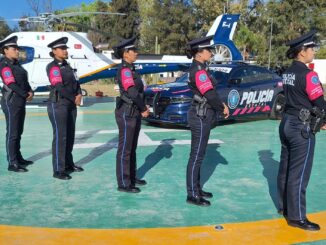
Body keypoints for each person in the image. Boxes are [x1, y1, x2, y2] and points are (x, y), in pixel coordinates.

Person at [277, 30, 326, 231]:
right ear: (302, 51)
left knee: (285, 168)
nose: (314, 51)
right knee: (300, 173)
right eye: (311, 48)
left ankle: (284, 207)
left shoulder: (288, 72)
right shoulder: (309, 75)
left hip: (287, 123)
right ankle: (297, 217)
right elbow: (320, 102)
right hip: (301, 127)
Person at [185, 36, 229, 206]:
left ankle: (197, 188)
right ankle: (192, 194)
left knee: (199, 155)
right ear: (199, 53)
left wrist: (219, 105)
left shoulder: (201, 68)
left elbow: (210, 92)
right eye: (208, 50)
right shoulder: (199, 71)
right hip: (200, 115)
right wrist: (222, 108)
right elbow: (209, 94)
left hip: (203, 114)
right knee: (196, 156)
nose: (210, 52)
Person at [113, 37, 149, 193]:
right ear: (125, 54)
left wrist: (142, 106)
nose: (136, 53)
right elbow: (132, 92)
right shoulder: (125, 71)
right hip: (127, 112)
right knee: (125, 149)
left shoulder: (132, 69)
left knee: (132, 147)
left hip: (134, 111)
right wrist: (143, 108)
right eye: (133, 51)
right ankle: (123, 182)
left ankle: (132, 177)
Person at [46, 37, 84, 180]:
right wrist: (74, 98)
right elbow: (58, 87)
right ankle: (58, 169)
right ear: (54, 51)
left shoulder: (68, 66)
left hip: (70, 105)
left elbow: (76, 81)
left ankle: (68, 164)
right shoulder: (53, 67)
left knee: (69, 136)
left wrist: (79, 93)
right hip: (58, 105)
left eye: (66, 48)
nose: (65, 51)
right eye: (62, 49)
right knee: (60, 137)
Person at [0, 36, 34, 172]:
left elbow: (24, 81)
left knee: (19, 131)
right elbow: (11, 83)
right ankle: (12, 162)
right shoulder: (4, 64)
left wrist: (30, 90)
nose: (17, 51)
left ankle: (18, 158)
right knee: (13, 132)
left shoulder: (17, 64)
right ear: (5, 50)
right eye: (14, 49)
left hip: (20, 100)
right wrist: (25, 94)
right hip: (11, 101)